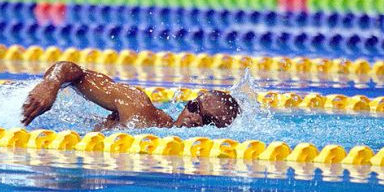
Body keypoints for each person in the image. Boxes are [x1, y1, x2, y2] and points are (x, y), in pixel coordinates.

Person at [21, 61, 240, 131]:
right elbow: (73, 71)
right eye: (193, 107)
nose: (195, 118)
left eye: (208, 120)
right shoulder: (138, 106)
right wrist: (50, 84)